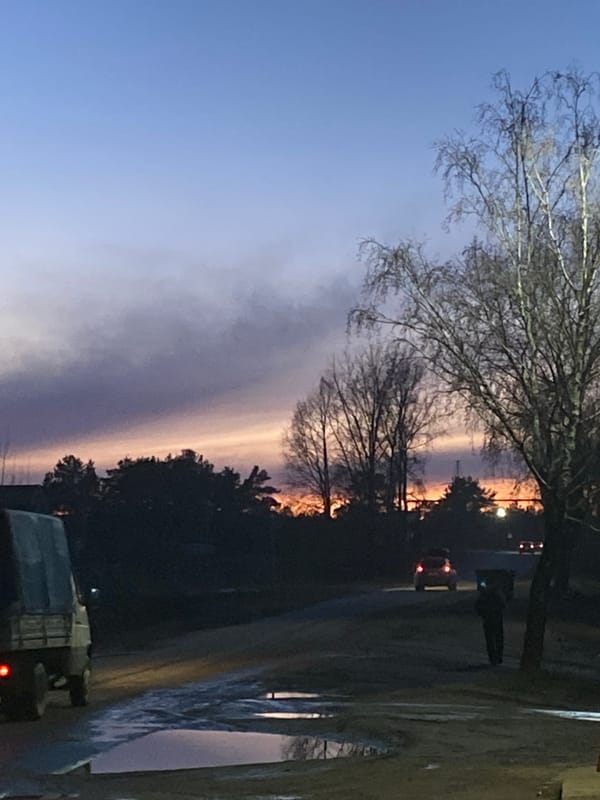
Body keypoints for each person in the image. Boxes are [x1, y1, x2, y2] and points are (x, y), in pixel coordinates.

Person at [476, 582, 506, 665]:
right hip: (496, 619)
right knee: (498, 638)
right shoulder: (497, 595)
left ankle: (492, 657)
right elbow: (503, 605)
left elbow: (478, 607)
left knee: (490, 640)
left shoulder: (484, 595)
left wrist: (483, 614)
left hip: (488, 619)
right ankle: (498, 656)